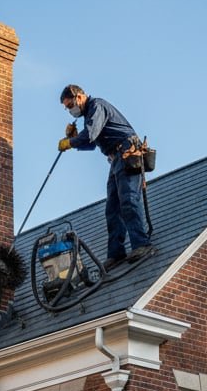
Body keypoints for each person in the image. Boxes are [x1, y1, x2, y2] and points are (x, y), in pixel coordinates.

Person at [57, 85, 152, 268]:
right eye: (68, 108)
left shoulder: (96, 106)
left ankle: (141, 244)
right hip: (116, 159)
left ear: (80, 97)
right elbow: (91, 143)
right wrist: (76, 140)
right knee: (112, 208)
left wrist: (70, 142)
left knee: (129, 200)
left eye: (70, 106)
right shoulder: (88, 116)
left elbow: (91, 135)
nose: (71, 111)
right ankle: (116, 253)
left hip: (127, 154)